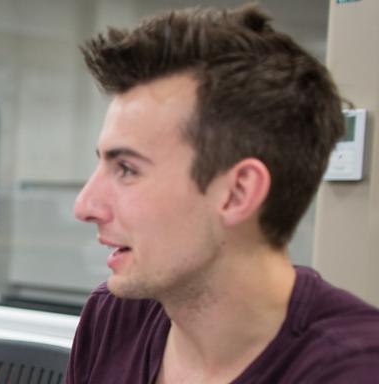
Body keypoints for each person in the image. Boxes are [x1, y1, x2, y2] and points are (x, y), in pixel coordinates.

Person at [67, 4, 379, 383]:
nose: (85, 206)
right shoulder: (114, 320)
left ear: (237, 193)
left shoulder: (355, 369)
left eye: (127, 170)